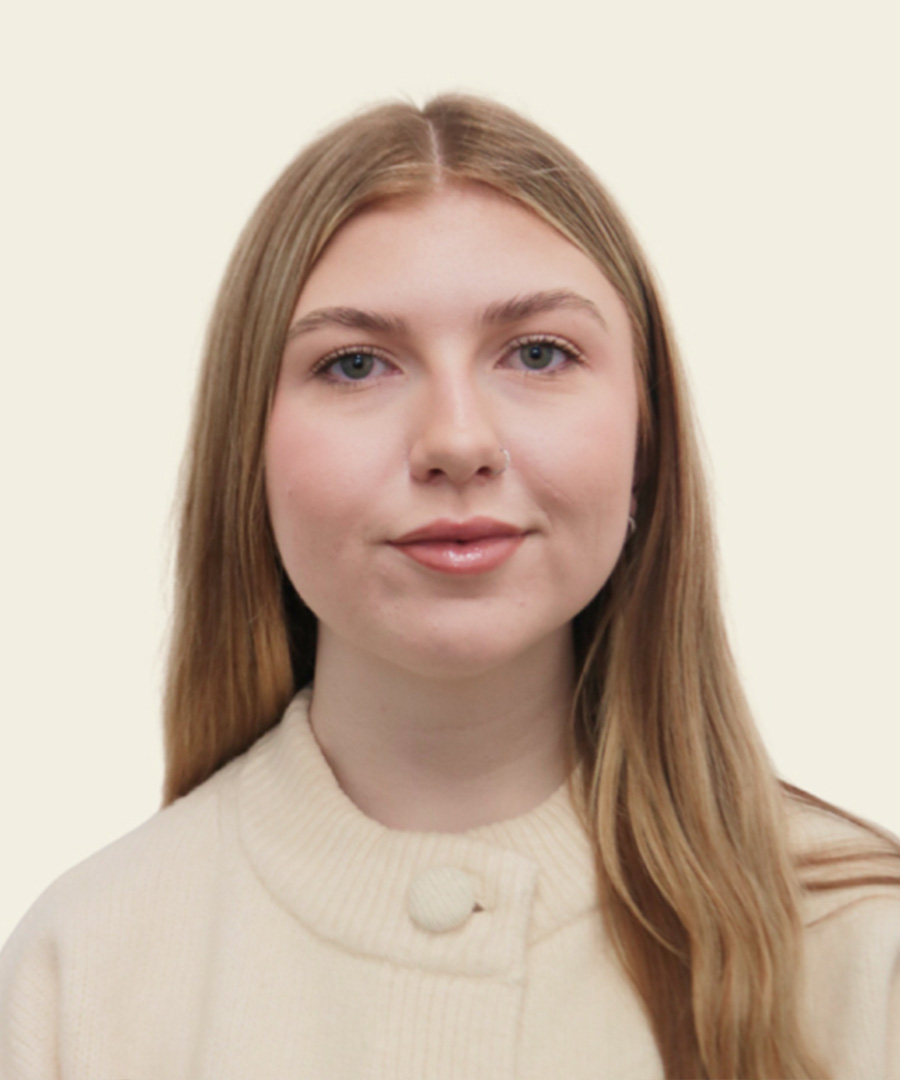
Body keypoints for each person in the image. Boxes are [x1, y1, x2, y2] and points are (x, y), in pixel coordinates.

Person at [1, 94, 898, 1080]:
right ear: (244, 450)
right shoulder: (77, 979)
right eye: (354, 364)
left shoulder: (867, 953)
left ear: (648, 434)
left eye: (540, 353)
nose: (458, 441)